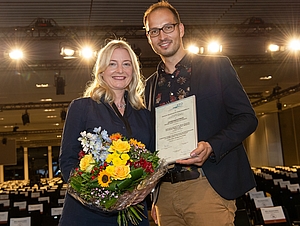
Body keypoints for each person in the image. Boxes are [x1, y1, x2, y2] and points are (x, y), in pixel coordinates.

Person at [143, 1, 258, 226]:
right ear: (149, 37)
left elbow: (247, 118)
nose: (162, 36)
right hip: (165, 194)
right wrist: (153, 196)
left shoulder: (217, 67)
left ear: (181, 29)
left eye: (168, 27)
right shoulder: (149, 86)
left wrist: (212, 146)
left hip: (207, 185)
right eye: (154, 31)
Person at [59, 39, 152, 226]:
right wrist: (98, 196)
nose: (120, 70)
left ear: (133, 71)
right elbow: (67, 161)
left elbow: (153, 162)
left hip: (133, 214)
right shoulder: (82, 107)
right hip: (88, 214)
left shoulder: (145, 115)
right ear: (101, 70)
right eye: (112, 64)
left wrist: (147, 187)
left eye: (126, 64)